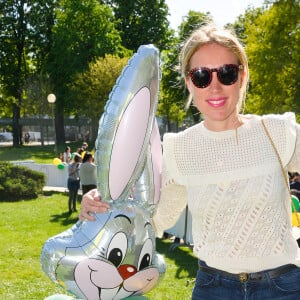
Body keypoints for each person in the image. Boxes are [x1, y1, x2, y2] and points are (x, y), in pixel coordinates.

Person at [79, 23, 300, 299]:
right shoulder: (178, 149)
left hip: (285, 288)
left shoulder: (278, 132)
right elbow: (154, 220)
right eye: (201, 76)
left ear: (242, 77)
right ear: (189, 83)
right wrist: (102, 204)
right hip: (214, 289)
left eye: (227, 74)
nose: (215, 87)